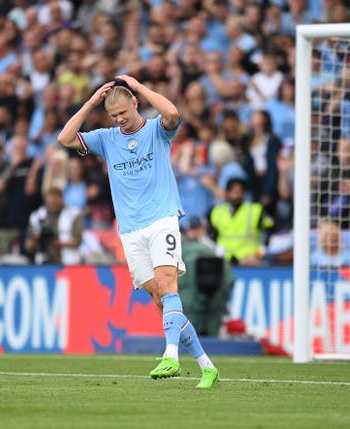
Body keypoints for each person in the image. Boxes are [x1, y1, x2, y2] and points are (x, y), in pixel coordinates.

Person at [58, 75, 219, 388]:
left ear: (135, 103)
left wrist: (141, 87)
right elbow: (65, 138)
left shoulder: (157, 130)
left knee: (168, 284)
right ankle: (207, 366)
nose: (119, 119)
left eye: (123, 112)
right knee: (160, 299)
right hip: (131, 230)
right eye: (113, 115)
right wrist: (91, 102)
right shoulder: (106, 138)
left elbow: (172, 113)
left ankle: (170, 356)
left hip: (161, 219)